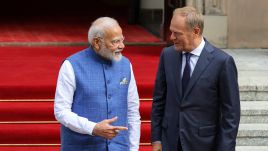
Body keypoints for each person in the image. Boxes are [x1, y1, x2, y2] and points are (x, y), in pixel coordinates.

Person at [151, 6, 240, 151]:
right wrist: (156, 139)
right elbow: (159, 100)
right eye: (171, 31)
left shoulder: (222, 62)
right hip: (170, 142)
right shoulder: (167, 55)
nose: (171, 37)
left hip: (204, 144)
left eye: (177, 33)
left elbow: (231, 114)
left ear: (196, 31)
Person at [54, 17, 141, 151]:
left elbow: (133, 112)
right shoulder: (71, 65)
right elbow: (61, 111)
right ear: (96, 42)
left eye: (122, 40)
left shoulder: (126, 65)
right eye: (115, 42)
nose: (122, 46)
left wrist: (133, 149)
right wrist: (93, 128)